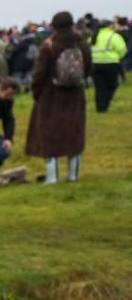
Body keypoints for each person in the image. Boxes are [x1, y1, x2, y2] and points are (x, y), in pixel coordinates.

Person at [26, 12, 92, 183]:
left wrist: (37, 93)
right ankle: (73, 175)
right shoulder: (82, 44)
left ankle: (52, 177)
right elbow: (88, 68)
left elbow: (39, 74)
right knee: (74, 134)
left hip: (51, 95)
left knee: (49, 135)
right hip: (75, 94)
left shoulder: (49, 46)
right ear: (72, 24)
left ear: (53, 26)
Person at [91, 19, 129, 113]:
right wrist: (117, 58)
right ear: (109, 26)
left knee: (99, 87)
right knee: (112, 85)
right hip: (111, 63)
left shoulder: (93, 36)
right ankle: (105, 104)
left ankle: (100, 108)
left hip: (95, 64)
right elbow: (122, 49)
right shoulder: (114, 36)